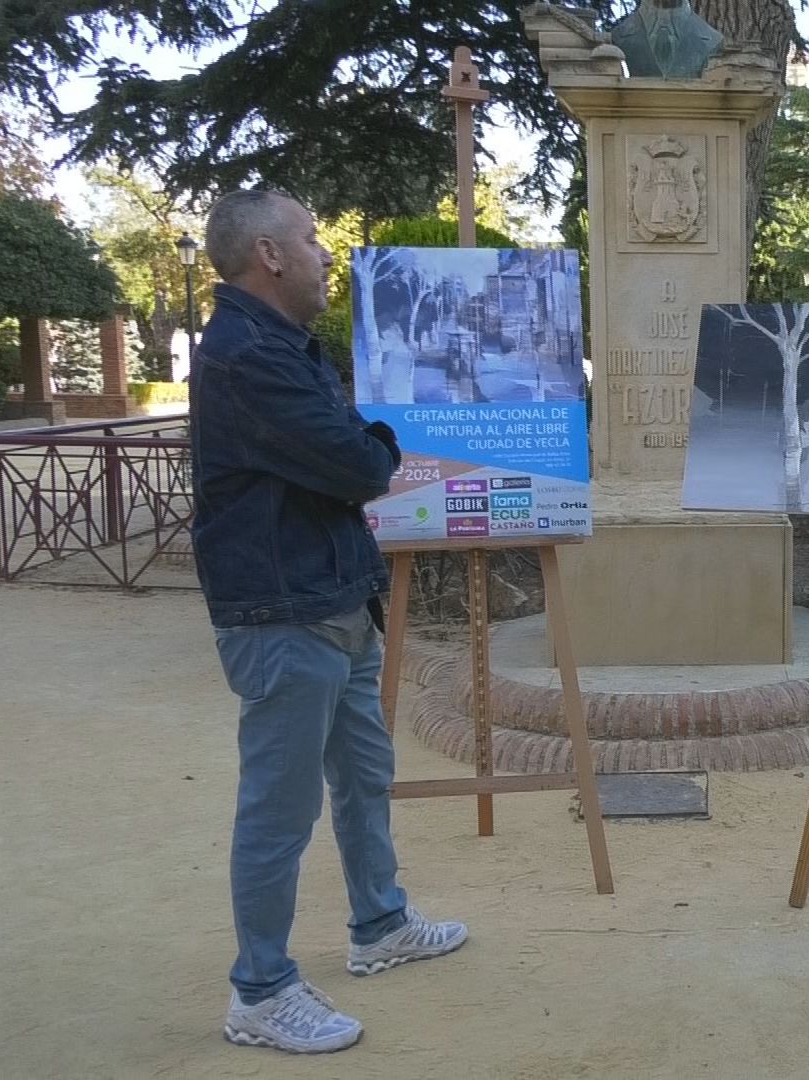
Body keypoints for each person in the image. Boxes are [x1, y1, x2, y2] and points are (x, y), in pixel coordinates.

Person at [189, 190, 468, 1055]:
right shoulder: (245, 356)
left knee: (364, 773)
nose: (323, 255)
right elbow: (357, 462)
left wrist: (362, 443)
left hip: (332, 599)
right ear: (269, 255)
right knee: (280, 806)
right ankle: (261, 991)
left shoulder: (278, 345)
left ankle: (378, 924)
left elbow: (344, 450)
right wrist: (378, 445)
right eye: (312, 240)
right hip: (284, 615)